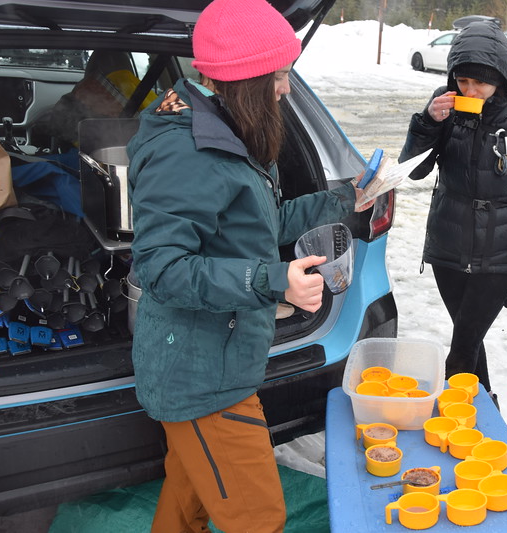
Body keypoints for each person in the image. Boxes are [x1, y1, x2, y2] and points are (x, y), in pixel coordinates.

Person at [125, 0, 372, 531]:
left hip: (220, 359)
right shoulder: (187, 152)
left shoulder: (226, 128)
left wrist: (346, 201)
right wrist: (273, 280)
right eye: (279, 76)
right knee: (259, 517)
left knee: (187, 499)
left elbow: (260, 223)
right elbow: (162, 269)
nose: (286, 89)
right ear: (245, 80)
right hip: (200, 379)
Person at [399, 21, 507, 397]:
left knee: (462, 349)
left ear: (500, 77)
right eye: (463, 81)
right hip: (449, 245)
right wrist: (427, 123)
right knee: (468, 338)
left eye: (480, 83)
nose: (470, 90)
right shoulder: (445, 103)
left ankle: (456, 417)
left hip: (499, 252)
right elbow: (414, 170)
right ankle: (484, 412)